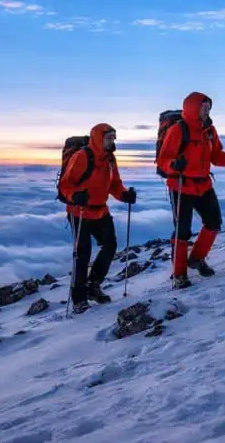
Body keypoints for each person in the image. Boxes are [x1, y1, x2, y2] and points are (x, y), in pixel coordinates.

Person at [159, 92, 225, 289]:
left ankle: (196, 259)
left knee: (214, 223)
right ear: (192, 107)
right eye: (203, 107)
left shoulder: (209, 130)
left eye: (208, 107)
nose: (206, 110)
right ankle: (179, 274)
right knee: (183, 230)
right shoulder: (178, 129)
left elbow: (215, 155)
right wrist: (174, 164)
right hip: (180, 185)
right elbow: (163, 160)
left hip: (203, 184)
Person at [58, 123, 136, 313]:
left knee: (110, 246)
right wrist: (75, 196)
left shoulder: (110, 159)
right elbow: (65, 185)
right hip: (80, 211)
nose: (112, 141)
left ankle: (93, 286)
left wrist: (124, 195)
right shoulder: (82, 156)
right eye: (109, 138)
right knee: (82, 253)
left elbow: (115, 184)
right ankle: (79, 299)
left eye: (113, 138)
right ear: (98, 138)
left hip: (100, 210)